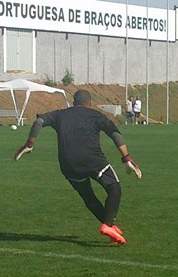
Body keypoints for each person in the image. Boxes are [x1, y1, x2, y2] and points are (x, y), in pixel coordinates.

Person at [13, 89, 142, 245]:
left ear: (73, 103)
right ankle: (107, 225)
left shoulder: (60, 114)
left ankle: (109, 226)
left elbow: (38, 122)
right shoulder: (96, 115)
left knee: (89, 197)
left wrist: (29, 144)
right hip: (92, 159)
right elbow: (115, 134)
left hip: (68, 163)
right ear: (90, 103)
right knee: (114, 188)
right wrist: (126, 158)